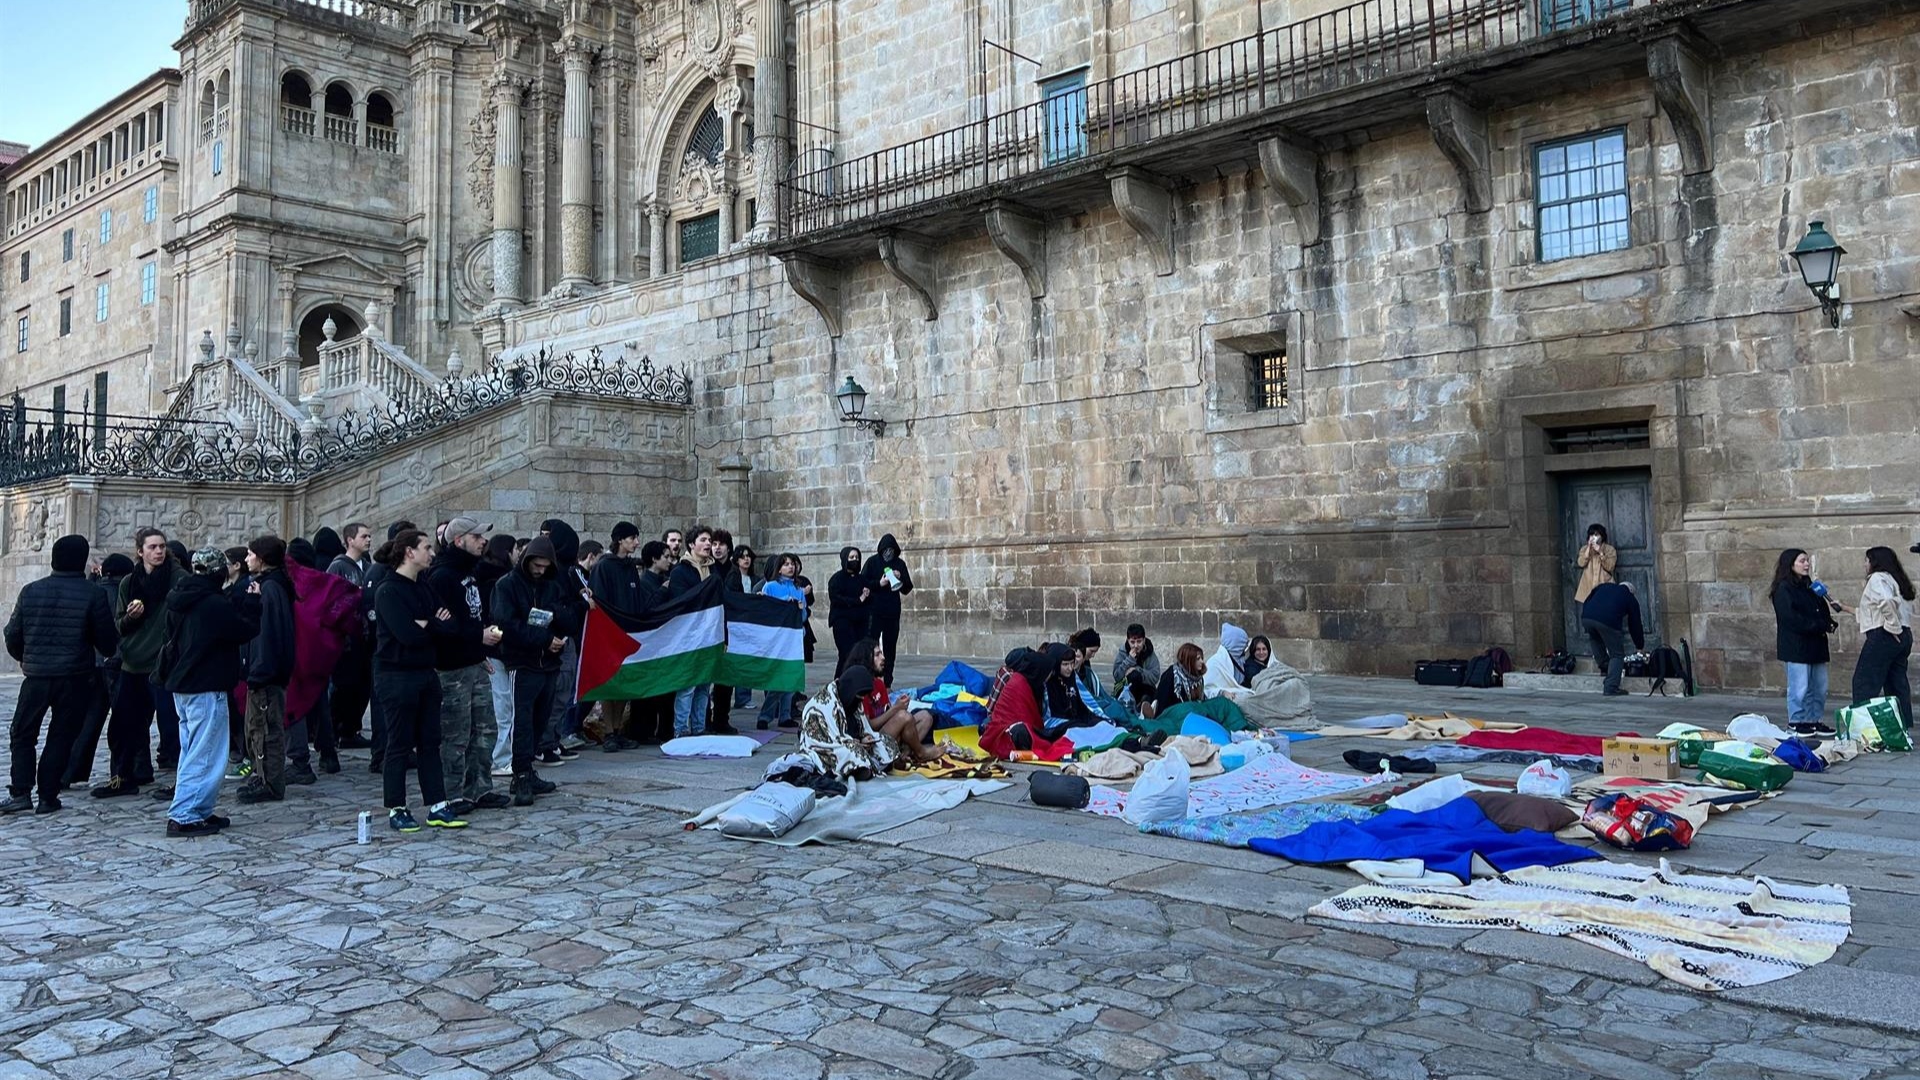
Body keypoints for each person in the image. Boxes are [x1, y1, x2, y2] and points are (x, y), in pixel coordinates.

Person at [2, 535, 120, 816]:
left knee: (22, 733)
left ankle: (20, 790)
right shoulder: (93, 594)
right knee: (61, 735)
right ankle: (47, 795)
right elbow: (105, 641)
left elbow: (12, 634)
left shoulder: (31, 591)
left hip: (36, 675)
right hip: (75, 675)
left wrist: (24, 658)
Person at [372, 529, 470, 832]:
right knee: (399, 743)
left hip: (426, 674)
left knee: (431, 741)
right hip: (396, 676)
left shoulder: (425, 587)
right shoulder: (388, 590)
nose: (432, 552)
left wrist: (430, 624)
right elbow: (407, 635)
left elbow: (451, 624)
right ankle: (396, 807)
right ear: (408, 552)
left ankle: (438, 805)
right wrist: (432, 624)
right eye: (426, 547)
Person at [159, 547, 259, 836]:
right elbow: (242, 630)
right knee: (205, 753)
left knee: (193, 749)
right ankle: (185, 815)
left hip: (184, 683)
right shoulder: (213, 602)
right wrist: (252, 603)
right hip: (205, 684)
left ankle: (198, 809)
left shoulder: (180, 598)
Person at [427, 517, 511, 813]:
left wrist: (479, 650)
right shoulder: (442, 577)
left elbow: (470, 616)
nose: (483, 541)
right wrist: (478, 636)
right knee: (456, 734)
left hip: (473, 662)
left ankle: (479, 787)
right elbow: (443, 626)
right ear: (459, 540)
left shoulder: (469, 573)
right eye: (476, 536)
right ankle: (451, 793)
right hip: (451, 669)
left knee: (484, 729)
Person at [97, 528, 180, 797]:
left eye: (162, 546)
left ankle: (183, 781)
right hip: (132, 664)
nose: (159, 551)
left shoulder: (178, 579)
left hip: (164, 664)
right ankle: (123, 777)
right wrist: (132, 617)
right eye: (153, 547)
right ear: (140, 551)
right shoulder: (128, 583)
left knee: (172, 728)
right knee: (124, 724)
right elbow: (119, 625)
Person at [492, 533, 573, 805]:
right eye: (536, 566)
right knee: (522, 721)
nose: (540, 571)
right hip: (523, 661)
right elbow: (507, 623)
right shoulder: (508, 585)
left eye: (544, 567)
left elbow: (565, 616)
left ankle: (529, 767)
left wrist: (557, 632)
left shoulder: (551, 586)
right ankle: (521, 773)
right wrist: (544, 639)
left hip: (548, 662)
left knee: (540, 719)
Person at [64, 552, 134, 790]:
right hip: (117, 662)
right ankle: (128, 771)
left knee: (88, 719)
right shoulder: (125, 593)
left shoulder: (92, 592)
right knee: (125, 718)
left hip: (91, 663)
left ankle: (70, 771)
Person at [236, 535, 298, 802]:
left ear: (261, 558)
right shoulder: (265, 585)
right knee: (256, 728)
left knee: (266, 729)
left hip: (267, 672)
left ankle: (270, 783)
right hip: (262, 669)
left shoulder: (271, 588)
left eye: (250, 554)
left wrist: (261, 669)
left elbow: (270, 633)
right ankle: (261, 776)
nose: (247, 559)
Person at [1840, 546, 1915, 729]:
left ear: (1874, 562)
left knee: (1864, 682)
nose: (1864, 564)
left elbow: (1886, 603)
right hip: (1903, 636)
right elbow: (1873, 612)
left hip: (1886, 635)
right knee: (1896, 683)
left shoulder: (1877, 578)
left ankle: (1864, 729)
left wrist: (1892, 629)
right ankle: (1900, 726)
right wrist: (1844, 607)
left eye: (1867, 560)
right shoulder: (1896, 579)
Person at [588, 521, 645, 751]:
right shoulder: (604, 566)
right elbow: (600, 600)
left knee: (624, 685)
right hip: (610, 633)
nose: (636, 543)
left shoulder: (630, 567)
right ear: (620, 540)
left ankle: (619, 729)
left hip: (629, 633)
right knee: (610, 684)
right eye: (632, 538)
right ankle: (609, 731)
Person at [1770, 548, 1838, 734]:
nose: (1806, 564)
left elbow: (1821, 609)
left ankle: (1813, 719)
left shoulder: (1811, 587)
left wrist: (1829, 622)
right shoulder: (1783, 588)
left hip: (1816, 645)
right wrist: (1818, 625)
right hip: (1797, 645)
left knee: (1819, 687)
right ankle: (1796, 721)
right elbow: (1791, 618)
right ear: (1790, 564)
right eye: (1802, 561)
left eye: (1807, 560)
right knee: (1800, 687)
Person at [845, 637, 939, 763]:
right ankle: (921, 752)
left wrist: (898, 706)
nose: (883, 658)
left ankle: (906, 752)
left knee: (926, 716)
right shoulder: (861, 687)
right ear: (866, 659)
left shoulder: (878, 684)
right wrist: (896, 709)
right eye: (877, 655)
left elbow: (887, 712)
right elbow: (869, 726)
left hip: (890, 733)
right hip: (874, 737)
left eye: (881, 653)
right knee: (903, 716)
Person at [797, 665, 895, 779]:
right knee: (853, 753)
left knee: (885, 743)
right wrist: (854, 743)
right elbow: (828, 740)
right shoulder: (824, 704)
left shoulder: (852, 700)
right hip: (825, 748)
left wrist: (865, 738)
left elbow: (862, 726)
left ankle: (864, 766)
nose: (861, 700)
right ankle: (859, 769)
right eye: (860, 696)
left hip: (850, 742)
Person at [328, 521, 376, 750]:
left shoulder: (367, 566)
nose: (368, 539)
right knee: (344, 687)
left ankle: (351, 729)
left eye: (369, 536)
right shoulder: (338, 567)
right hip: (346, 637)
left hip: (366, 636)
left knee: (362, 686)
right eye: (364, 536)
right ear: (350, 540)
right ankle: (338, 729)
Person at [624, 539, 677, 745]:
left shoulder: (664, 579)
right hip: (649, 643)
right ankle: (641, 730)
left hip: (663, 641)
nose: (669, 561)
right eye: (665, 557)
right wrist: (663, 590)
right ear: (654, 559)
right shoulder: (644, 582)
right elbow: (646, 610)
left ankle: (663, 730)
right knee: (647, 693)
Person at [667, 525, 717, 737]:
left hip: (710, 634)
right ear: (691, 545)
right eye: (704, 540)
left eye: (710, 541)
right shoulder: (681, 571)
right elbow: (680, 602)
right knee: (688, 685)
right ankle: (680, 729)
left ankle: (699, 727)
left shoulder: (712, 571)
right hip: (689, 635)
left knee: (704, 685)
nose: (708, 544)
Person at [478, 533, 517, 776]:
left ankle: (503, 756)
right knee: (502, 707)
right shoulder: (495, 582)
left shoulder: (490, 579)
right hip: (494, 652)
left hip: (498, 651)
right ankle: (500, 759)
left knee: (504, 705)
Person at [757, 553, 808, 730]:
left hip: (793, 639)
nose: (790, 567)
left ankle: (785, 715)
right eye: (786, 564)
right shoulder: (770, 586)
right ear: (778, 568)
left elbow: (803, 616)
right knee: (776, 680)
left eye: (792, 564)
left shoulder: (799, 590)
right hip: (776, 639)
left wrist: (799, 607)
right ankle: (765, 715)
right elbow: (765, 609)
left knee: (790, 679)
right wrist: (783, 602)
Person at [860, 534, 913, 683]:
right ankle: (871, 679)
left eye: (891, 550)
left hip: (892, 612)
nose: (888, 553)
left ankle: (887, 680)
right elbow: (863, 582)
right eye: (886, 550)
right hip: (875, 612)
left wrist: (900, 577)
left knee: (890, 649)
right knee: (871, 647)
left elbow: (907, 588)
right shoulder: (872, 562)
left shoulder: (899, 564)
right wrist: (879, 583)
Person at [1580, 580, 1645, 697]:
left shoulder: (1604, 586)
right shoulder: (1629, 597)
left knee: (1596, 641)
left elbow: (1588, 599)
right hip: (1608, 621)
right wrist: (1639, 645)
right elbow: (1635, 624)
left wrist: (1585, 615)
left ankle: (1606, 670)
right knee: (1617, 654)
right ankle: (1611, 687)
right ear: (1631, 591)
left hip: (1587, 617)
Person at [827, 545, 871, 676]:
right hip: (843, 622)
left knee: (860, 657)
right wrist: (859, 599)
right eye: (851, 557)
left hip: (860, 623)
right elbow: (837, 599)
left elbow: (869, 600)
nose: (855, 560)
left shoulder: (862, 579)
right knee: (847, 655)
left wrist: (867, 594)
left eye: (857, 557)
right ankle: (839, 684)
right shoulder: (837, 579)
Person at [728, 544, 761, 710]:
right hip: (736, 623)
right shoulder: (732, 578)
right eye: (742, 556)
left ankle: (743, 697)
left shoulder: (756, 580)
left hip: (752, 623)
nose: (746, 559)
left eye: (748, 556)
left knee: (747, 661)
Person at [1112, 623, 1162, 708]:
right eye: (1132, 642)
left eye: (1139, 641)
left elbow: (1155, 677)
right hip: (1126, 687)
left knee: (1152, 695)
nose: (1136, 645)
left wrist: (1137, 670)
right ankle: (1128, 704)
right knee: (1134, 676)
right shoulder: (1122, 652)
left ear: (1144, 640)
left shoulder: (1150, 653)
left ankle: (1145, 705)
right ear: (1128, 641)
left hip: (1145, 687)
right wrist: (1129, 660)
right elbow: (1117, 676)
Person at [1154, 643, 1209, 716]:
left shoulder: (1198, 678)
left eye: (1202, 658)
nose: (1202, 661)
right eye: (1198, 659)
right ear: (1189, 660)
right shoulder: (1171, 676)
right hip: (1173, 716)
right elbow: (1162, 703)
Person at [1575, 524, 1617, 611]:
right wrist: (1588, 550)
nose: (1593, 537)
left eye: (1596, 535)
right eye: (1591, 535)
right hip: (1588, 588)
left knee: (1605, 613)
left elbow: (1610, 567)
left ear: (1602, 536)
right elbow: (1581, 563)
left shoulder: (1610, 549)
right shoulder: (1584, 549)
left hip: (1605, 586)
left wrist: (1601, 553)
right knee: (1589, 613)